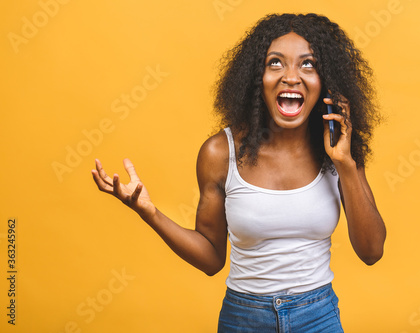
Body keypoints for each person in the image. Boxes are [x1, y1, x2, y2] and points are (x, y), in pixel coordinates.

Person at [91, 13, 386, 333]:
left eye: (308, 64)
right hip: (243, 319)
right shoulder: (219, 153)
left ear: (326, 82)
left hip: (318, 317)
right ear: (255, 78)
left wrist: (346, 164)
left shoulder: (337, 148)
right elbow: (211, 259)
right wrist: (149, 213)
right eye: (275, 63)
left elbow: (371, 251)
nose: (290, 77)